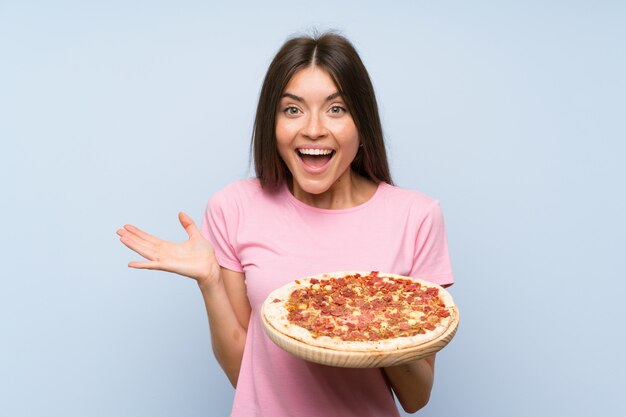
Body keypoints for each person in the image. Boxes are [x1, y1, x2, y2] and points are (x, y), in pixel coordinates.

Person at [117, 32, 454, 416]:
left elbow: (417, 397)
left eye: (337, 108)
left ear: (363, 122)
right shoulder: (234, 207)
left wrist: (379, 319)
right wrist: (210, 282)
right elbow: (243, 373)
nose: (313, 129)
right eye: (292, 110)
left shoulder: (417, 217)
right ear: (271, 123)